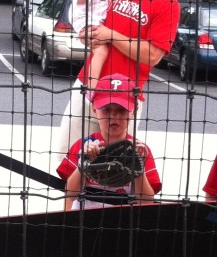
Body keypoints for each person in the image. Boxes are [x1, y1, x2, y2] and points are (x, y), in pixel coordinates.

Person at [56, 0, 181, 161]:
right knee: (68, 157)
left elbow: (152, 55)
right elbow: (89, 11)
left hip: (125, 98)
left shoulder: (168, 4)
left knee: (117, 167)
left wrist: (111, 35)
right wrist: (86, 34)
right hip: (88, 86)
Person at [58, 73, 161, 211]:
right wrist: (83, 166)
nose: (114, 116)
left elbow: (147, 202)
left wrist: (138, 170)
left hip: (123, 223)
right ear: (94, 109)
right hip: (84, 222)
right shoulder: (83, 145)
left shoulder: (139, 149)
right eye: (107, 110)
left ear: (134, 111)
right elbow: (70, 194)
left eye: (121, 110)